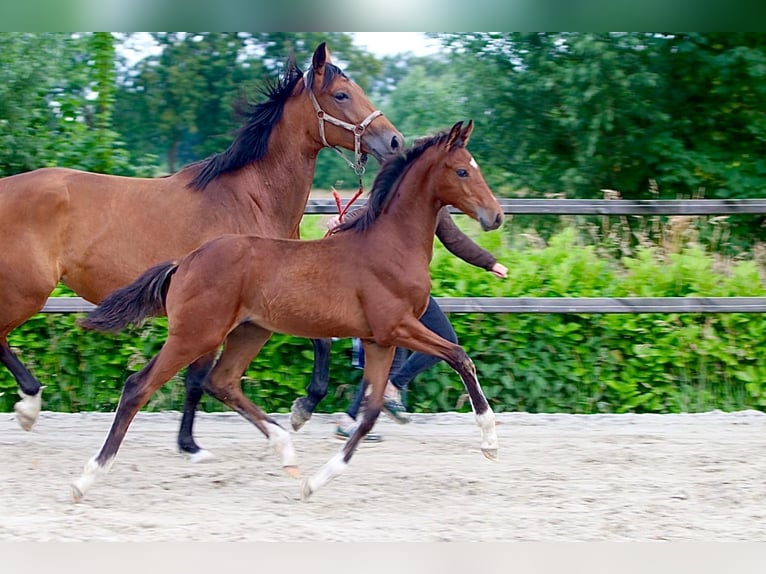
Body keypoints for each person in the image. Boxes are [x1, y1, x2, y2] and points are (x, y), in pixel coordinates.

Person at [335, 206, 508, 441]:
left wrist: (489, 263)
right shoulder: (405, 192)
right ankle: (354, 417)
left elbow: (454, 239)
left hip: (411, 287)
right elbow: (371, 208)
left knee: (443, 340)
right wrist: (343, 220)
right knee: (383, 350)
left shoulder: (436, 207)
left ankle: (381, 395)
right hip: (385, 285)